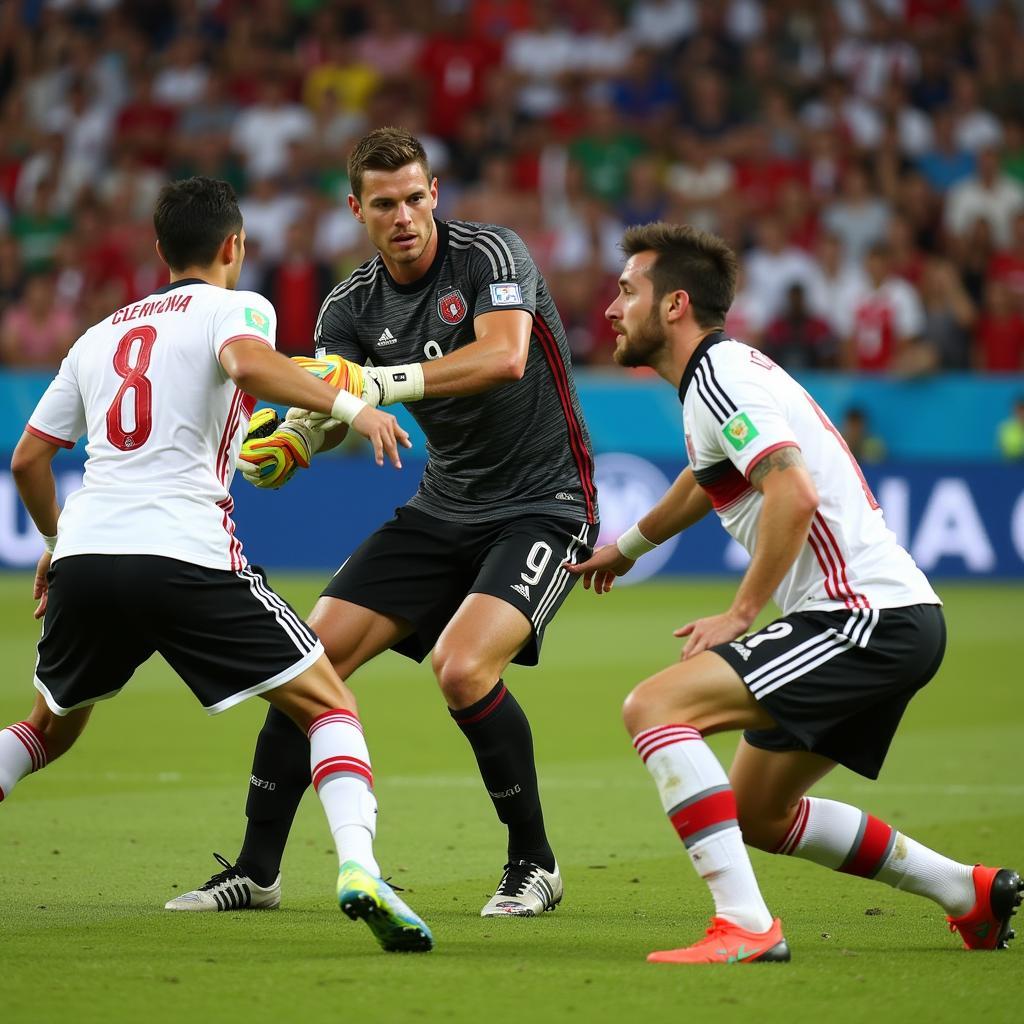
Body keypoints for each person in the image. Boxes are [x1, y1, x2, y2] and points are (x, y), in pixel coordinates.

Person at [169, 128, 599, 918]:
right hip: (443, 505)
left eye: (414, 198)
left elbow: (503, 357)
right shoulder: (350, 303)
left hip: (543, 504)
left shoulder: (493, 256)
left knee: (464, 670)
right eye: (384, 204)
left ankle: (534, 862)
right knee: (306, 664)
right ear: (355, 210)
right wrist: (301, 436)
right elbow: (337, 400)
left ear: (434, 193)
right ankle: (258, 871)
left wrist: (376, 382)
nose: (403, 216)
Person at [0, 176, 433, 954]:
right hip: (184, 550)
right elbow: (245, 364)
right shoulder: (241, 307)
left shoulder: (95, 336)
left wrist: (57, 543)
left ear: (160, 251)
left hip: (90, 556)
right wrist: (351, 407)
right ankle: (360, 867)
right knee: (329, 705)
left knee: (47, 730)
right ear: (234, 246)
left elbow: (31, 458)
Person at [567, 222, 1021, 964]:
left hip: (861, 616)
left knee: (654, 708)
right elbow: (703, 477)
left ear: (675, 305)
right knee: (756, 810)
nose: (612, 309)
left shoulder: (719, 380)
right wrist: (629, 545)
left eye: (627, 292)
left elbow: (794, 493)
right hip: (896, 616)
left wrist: (740, 613)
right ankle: (967, 892)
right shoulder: (724, 377)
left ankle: (746, 927)